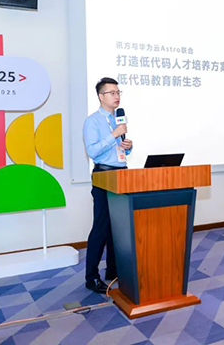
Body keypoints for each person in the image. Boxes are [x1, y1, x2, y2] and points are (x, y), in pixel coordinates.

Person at [82, 77, 133, 293]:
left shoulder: (118, 119)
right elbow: (93, 151)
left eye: (118, 92)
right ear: (101, 96)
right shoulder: (92, 122)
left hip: (121, 174)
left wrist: (127, 145)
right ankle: (91, 278)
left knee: (119, 227)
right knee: (101, 227)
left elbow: (119, 150)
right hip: (104, 175)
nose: (116, 96)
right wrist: (114, 135)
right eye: (112, 92)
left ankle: (113, 271)